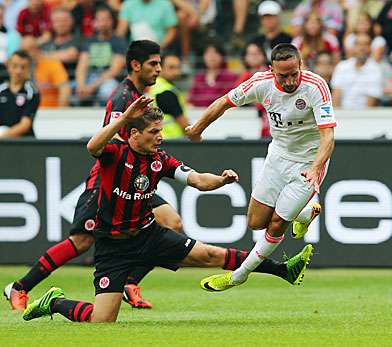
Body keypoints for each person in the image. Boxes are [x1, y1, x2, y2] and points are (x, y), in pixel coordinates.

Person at [21, 96, 314, 323]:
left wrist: (221, 180)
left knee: (211, 254)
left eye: (160, 131)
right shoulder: (114, 154)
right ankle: (55, 302)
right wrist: (124, 117)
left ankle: (282, 270)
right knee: (102, 319)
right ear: (133, 134)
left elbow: (197, 180)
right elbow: (92, 146)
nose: (160, 136)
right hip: (113, 246)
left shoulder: (160, 160)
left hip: (150, 235)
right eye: (153, 131)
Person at [3, 40, 177, 311]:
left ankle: (131, 282)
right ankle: (20, 286)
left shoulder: (138, 97)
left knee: (172, 223)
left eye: (159, 63)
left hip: (132, 179)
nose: (158, 69)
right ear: (135, 65)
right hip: (110, 181)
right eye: (153, 63)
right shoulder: (123, 98)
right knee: (82, 241)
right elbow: (109, 142)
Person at [185, 43, 335, 292]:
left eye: (293, 73)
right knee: (256, 222)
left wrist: (315, 167)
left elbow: (328, 136)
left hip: (308, 163)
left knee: (276, 223)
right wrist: (198, 127)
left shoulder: (316, 86)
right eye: (282, 75)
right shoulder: (260, 83)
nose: (289, 81)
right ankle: (305, 214)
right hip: (278, 156)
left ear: (301, 66)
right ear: (271, 70)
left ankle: (238, 276)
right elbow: (223, 102)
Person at [75, 6, 126, 105]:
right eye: (99, 19)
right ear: (94, 22)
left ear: (112, 21)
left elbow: (114, 70)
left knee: (107, 91)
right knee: (72, 90)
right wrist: (81, 85)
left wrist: (91, 87)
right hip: (89, 77)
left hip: (108, 79)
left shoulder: (119, 41)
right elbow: (82, 66)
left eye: (106, 19)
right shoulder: (88, 41)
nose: (102, 23)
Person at [148, 53, 193, 139]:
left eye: (178, 67)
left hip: (162, 140)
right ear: (160, 69)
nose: (176, 72)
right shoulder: (166, 92)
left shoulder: (157, 87)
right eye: (171, 67)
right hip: (172, 141)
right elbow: (184, 125)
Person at [332, 33, 383, 109]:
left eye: (365, 44)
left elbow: (371, 102)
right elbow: (336, 95)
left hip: (365, 117)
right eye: (358, 44)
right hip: (341, 114)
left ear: (370, 48)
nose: (361, 48)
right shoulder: (342, 66)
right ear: (353, 47)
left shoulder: (375, 69)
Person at [20, 35, 71, 108]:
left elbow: (65, 89)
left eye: (28, 50)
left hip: (49, 112)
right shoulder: (22, 68)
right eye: (23, 52)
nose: (25, 55)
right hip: (28, 113)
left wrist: (60, 112)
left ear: (36, 49)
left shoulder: (51, 64)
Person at [0, 50, 39, 138]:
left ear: (28, 69)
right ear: (8, 66)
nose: (18, 71)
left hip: (22, 143)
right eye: (15, 66)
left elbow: (25, 125)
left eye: (23, 67)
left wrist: (3, 136)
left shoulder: (32, 92)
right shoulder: (1, 89)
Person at [188, 43, 237, 107]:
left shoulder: (230, 77)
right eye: (208, 53)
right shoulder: (199, 77)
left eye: (215, 53)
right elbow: (190, 100)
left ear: (222, 56)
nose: (211, 56)